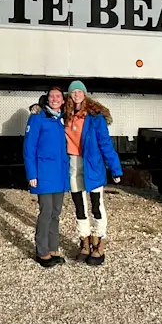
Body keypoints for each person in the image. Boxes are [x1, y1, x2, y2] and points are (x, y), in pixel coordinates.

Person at [63, 80, 123, 266]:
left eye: (80, 91)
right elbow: (48, 106)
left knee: (96, 205)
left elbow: (105, 143)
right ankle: (85, 242)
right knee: (79, 206)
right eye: (74, 92)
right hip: (73, 164)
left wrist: (115, 168)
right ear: (70, 95)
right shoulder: (65, 115)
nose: (77, 94)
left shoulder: (95, 117)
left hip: (92, 165)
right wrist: (37, 108)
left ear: (85, 94)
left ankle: (99, 242)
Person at [23, 87, 70, 267]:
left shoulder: (61, 119)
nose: (54, 99)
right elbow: (29, 148)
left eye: (58, 96)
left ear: (63, 100)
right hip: (43, 173)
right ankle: (41, 252)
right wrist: (32, 173)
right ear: (46, 98)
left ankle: (52, 248)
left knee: (56, 213)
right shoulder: (37, 118)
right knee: (46, 212)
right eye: (51, 96)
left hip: (59, 174)